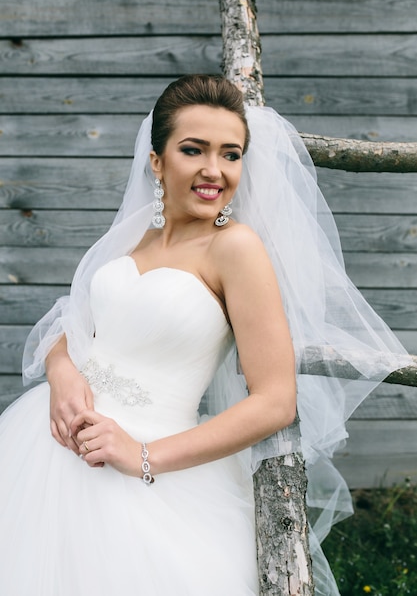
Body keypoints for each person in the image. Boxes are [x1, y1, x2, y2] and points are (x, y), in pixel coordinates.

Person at [0, 75, 410, 596]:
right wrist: (60, 374)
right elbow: (76, 323)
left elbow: (276, 400)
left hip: (149, 461)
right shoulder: (135, 237)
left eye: (230, 154)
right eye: (193, 150)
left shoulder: (236, 250)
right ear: (157, 161)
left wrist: (141, 455)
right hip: (45, 445)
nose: (213, 170)